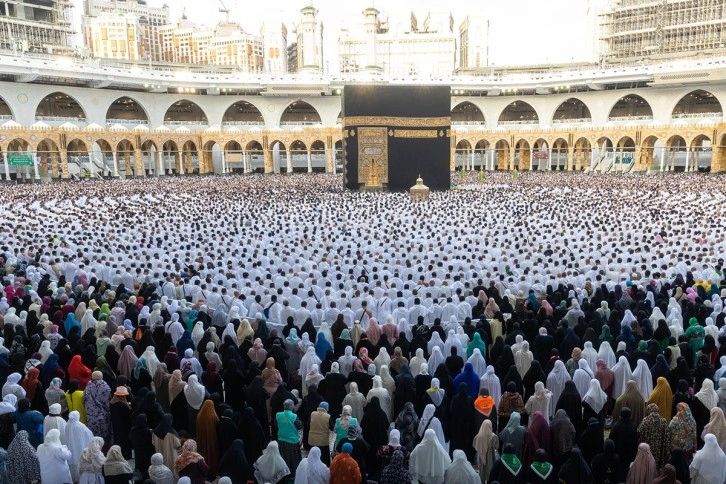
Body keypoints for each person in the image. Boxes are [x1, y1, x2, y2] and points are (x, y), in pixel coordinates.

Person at [474, 419, 498, 484]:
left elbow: (475, 446)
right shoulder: (493, 436)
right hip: (490, 457)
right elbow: (497, 446)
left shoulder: (478, 436)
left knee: (481, 471)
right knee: (489, 471)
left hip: (480, 456)